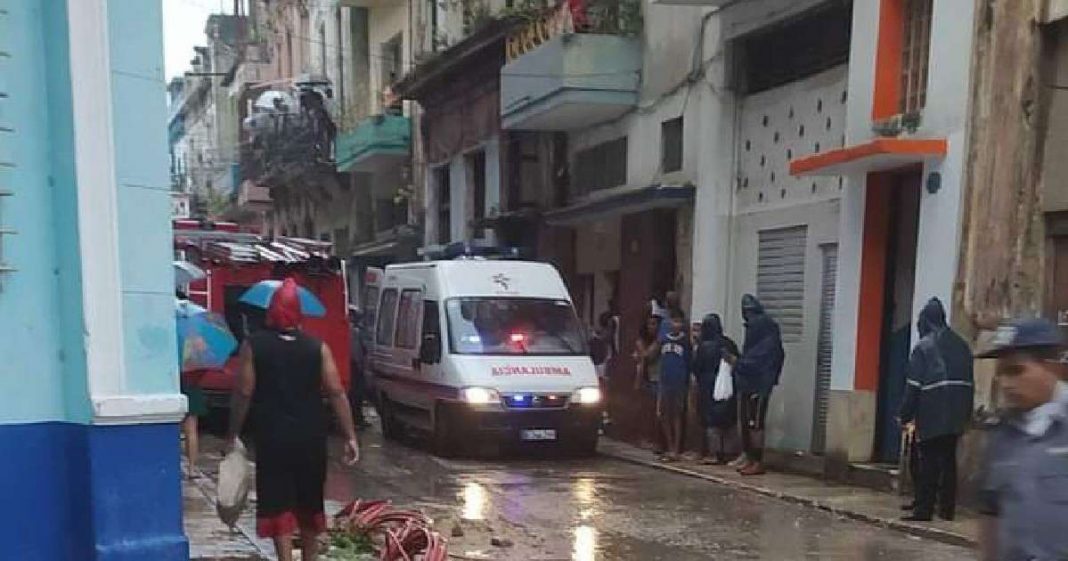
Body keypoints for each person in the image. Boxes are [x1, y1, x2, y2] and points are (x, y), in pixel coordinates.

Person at [227, 278, 360, 561]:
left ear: (270, 312)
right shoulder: (317, 347)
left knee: (277, 502)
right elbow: (336, 391)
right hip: (311, 437)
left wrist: (233, 432)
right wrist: (350, 435)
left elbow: (244, 391)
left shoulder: (254, 346)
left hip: (272, 437)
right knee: (309, 501)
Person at [976, 318, 1068, 561]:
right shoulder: (1002, 435)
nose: (1006, 383)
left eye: (1016, 371)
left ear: (1052, 368)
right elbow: (991, 511)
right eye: (1001, 373)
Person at [898, 297, 974, 522]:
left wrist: (905, 415)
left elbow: (913, 387)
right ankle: (946, 509)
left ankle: (923, 510)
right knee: (949, 460)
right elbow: (970, 383)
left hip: (933, 410)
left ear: (926, 321)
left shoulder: (923, 348)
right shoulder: (962, 344)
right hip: (957, 412)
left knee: (928, 461)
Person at [734, 294, 784, 476]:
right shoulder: (757, 330)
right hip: (749, 382)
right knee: (748, 422)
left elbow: (757, 360)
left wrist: (738, 362)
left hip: (760, 384)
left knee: (756, 424)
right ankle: (750, 457)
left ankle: (757, 460)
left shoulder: (765, 331)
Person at [692, 313, 740, 465]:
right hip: (728, 385)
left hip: (708, 387)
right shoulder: (728, 343)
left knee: (711, 421)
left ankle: (714, 453)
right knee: (728, 421)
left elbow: (696, 367)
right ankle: (729, 453)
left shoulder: (703, 347)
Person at [176, 289, 209, 477]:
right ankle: (192, 468)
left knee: (172, 428)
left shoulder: (171, 329)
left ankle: (175, 464)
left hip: (174, 381)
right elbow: (204, 359)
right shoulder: (196, 334)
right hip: (192, 382)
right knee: (191, 429)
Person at [657, 310, 692, 461]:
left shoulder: (685, 342)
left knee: (677, 415)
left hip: (679, 382)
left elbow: (689, 362)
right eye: (673, 321)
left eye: (679, 321)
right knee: (665, 415)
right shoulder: (663, 340)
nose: (676, 324)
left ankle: (676, 449)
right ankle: (669, 446)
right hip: (665, 381)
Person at [634, 314, 664, 453]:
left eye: (655, 324)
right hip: (645, 377)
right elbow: (646, 356)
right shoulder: (643, 341)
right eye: (649, 324)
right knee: (646, 410)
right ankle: (645, 438)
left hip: (658, 378)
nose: (652, 327)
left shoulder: (663, 340)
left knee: (658, 412)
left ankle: (657, 440)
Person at [347, 306, 371, 429]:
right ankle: (357, 419)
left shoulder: (352, 330)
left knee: (356, 395)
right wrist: (361, 366)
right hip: (354, 366)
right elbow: (357, 351)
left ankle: (357, 418)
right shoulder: (353, 331)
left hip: (352, 366)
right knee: (356, 394)